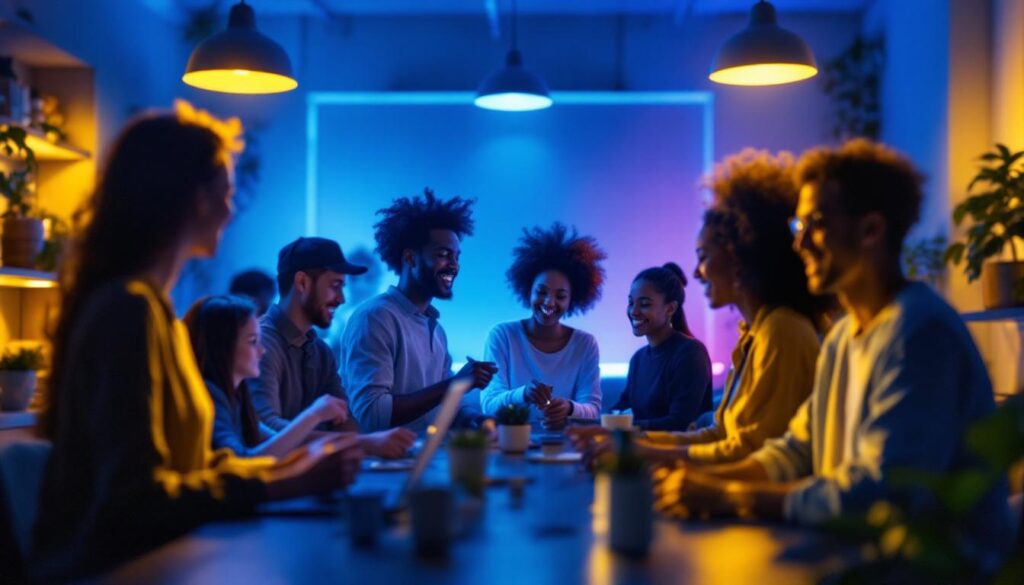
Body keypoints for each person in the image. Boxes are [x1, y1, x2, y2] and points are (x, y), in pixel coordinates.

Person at [31, 108, 361, 581]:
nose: (230, 209)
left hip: (162, 559)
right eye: (226, 192)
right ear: (194, 199)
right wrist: (282, 484)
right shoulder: (128, 310)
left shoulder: (155, 310)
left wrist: (286, 469)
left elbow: (196, 466)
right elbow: (135, 501)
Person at [653, 139, 1013, 557]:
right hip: (862, 557)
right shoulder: (842, 337)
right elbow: (796, 449)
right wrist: (704, 482)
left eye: (816, 224)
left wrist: (730, 495)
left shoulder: (920, 332)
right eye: (798, 226)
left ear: (871, 230)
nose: (800, 243)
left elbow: (881, 493)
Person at [341, 188, 497, 433]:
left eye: (456, 257)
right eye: (443, 255)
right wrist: (454, 384)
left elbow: (444, 408)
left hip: (428, 455)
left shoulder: (437, 330)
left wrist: (477, 420)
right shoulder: (375, 318)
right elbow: (372, 415)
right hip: (382, 458)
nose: (454, 266)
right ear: (410, 258)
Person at [249, 237, 416, 458]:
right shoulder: (260, 344)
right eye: (335, 286)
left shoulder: (319, 350)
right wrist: (366, 443)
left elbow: (343, 419)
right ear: (302, 283)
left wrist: (366, 445)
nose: (341, 299)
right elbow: (265, 431)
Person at [186, 295, 354, 457]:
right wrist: (314, 414)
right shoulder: (210, 396)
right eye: (253, 341)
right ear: (223, 345)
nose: (262, 350)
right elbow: (240, 462)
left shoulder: (237, 396)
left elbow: (275, 443)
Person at [480, 223, 607, 429]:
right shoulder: (502, 336)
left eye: (560, 296)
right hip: (512, 441)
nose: (549, 302)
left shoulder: (585, 344)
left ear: (572, 300)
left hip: (566, 444)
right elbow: (489, 406)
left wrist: (569, 409)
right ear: (528, 291)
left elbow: (592, 409)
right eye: (541, 292)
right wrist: (523, 394)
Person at [609, 263, 712, 431]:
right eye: (631, 303)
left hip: (678, 446)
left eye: (644, 304)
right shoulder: (638, 359)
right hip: (641, 445)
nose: (633, 311)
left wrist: (626, 425)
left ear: (670, 309)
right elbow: (620, 409)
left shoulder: (690, 353)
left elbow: (681, 423)